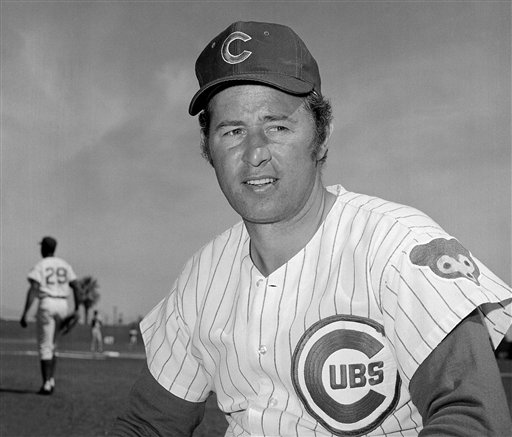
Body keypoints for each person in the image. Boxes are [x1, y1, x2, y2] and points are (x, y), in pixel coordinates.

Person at [112, 21, 512, 436]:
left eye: (277, 126)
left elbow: (473, 418)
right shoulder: (201, 278)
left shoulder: (397, 246)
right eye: (232, 131)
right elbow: (148, 426)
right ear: (208, 149)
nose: (254, 154)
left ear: (321, 138)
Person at [20, 236, 81, 395]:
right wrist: (78, 308)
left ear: (43, 248)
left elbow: (34, 288)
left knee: (45, 345)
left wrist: (25, 313)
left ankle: (46, 383)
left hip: (47, 302)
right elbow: (76, 286)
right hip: (63, 304)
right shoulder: (64, 264)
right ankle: (51, 379)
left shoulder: (41, 265)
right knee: (54, 345)